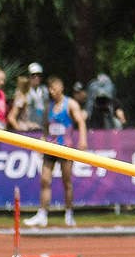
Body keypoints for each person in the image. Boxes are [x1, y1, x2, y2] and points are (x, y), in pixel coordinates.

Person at [25, 76, 89, 228]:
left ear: (60, 88)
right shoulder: (49, 107)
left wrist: (83, 139)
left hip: (65, 148)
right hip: (50, 147)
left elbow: (80, 121)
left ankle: (69, 213)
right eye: (50, 90)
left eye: (53, 89)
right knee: (45, 180)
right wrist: (43, 140)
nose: (51, 92)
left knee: (67, 182)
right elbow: (46, 127)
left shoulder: (70, 104)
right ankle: (42, 214)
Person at [9, 65, 45, 137]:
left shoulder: (43, 92)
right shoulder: (21, 95)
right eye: (33, 75)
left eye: (38, 75)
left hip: (38, 132)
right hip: (26, 133)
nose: (36, 77)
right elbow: (11, 117)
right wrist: (21, 134)